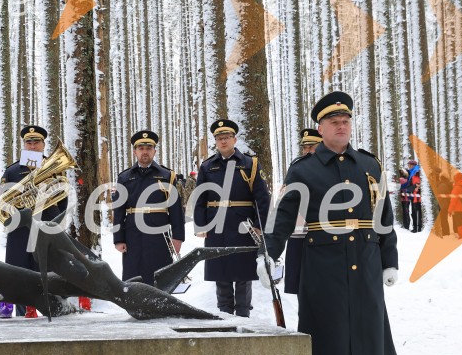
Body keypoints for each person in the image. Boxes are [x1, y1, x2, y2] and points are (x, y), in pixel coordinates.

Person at [259, 91, 398, 355]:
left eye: (346, 121)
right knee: (321, 331)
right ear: (320, 128)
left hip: (365, 259)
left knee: (367, 329)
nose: (341, 126)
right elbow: (282, 217)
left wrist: (389, 259)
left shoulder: (369, 164)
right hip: (322, 261)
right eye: (334, 122)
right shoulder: (303, 170)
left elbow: (384, 216)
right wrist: (268, 255)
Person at [193, 119, 271, 317]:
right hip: (216, 225)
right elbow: (200, 198)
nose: (223, 141)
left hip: (243, 225)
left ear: (234, 139)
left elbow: (262, 198)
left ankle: (244, 314)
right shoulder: (207, 166)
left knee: (243, 272)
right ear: (215, 141)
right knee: (221, 271)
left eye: (227, 137)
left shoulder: (249, 164)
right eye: (220, 138)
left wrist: (258, 225)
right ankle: (224, 313)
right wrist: (201, 225)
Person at [0, 125, 68, 319]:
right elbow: (1, 201)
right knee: (18, 270)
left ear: (43, 145)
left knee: (47, 268)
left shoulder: (56, 168)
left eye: (36, 142)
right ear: (24, 145)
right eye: (29, 142)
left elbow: (63, 200)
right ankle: (20, 312)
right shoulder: (11, 171)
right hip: (20, 229)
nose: (32, 146)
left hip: (46, 225)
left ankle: (51, 309)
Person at [112, 130, 185, 285]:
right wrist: (118, 238)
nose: (145, 152)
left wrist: (178, 237)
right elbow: (118, 211)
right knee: (134, 275)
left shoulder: (166, 175)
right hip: (133, 232)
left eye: (148, 148)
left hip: (159, 232)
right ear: (135, 151)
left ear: (154, 151)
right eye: (141, 148)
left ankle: (161, 307)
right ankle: (136, 308)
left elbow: (176, 209)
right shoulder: (124, 177)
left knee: (160, 273)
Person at [284, 128, 321, 295]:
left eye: (311, 147)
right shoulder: (296, 167)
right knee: (300, 280)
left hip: (325, 229)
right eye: (304, 147)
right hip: (299, 228)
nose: (307, 151)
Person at [403, 159, 422, 232]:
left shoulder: (416, 173)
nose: (408, 166)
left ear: (413, 165)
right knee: (414, 212)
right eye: (408, 165)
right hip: (413, 195)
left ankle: (417, 228)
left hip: (416, 196)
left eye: (409, 165)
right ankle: (415, 227)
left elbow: (417, 184)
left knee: (416, 212)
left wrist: (409, 189)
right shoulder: (411, 173)